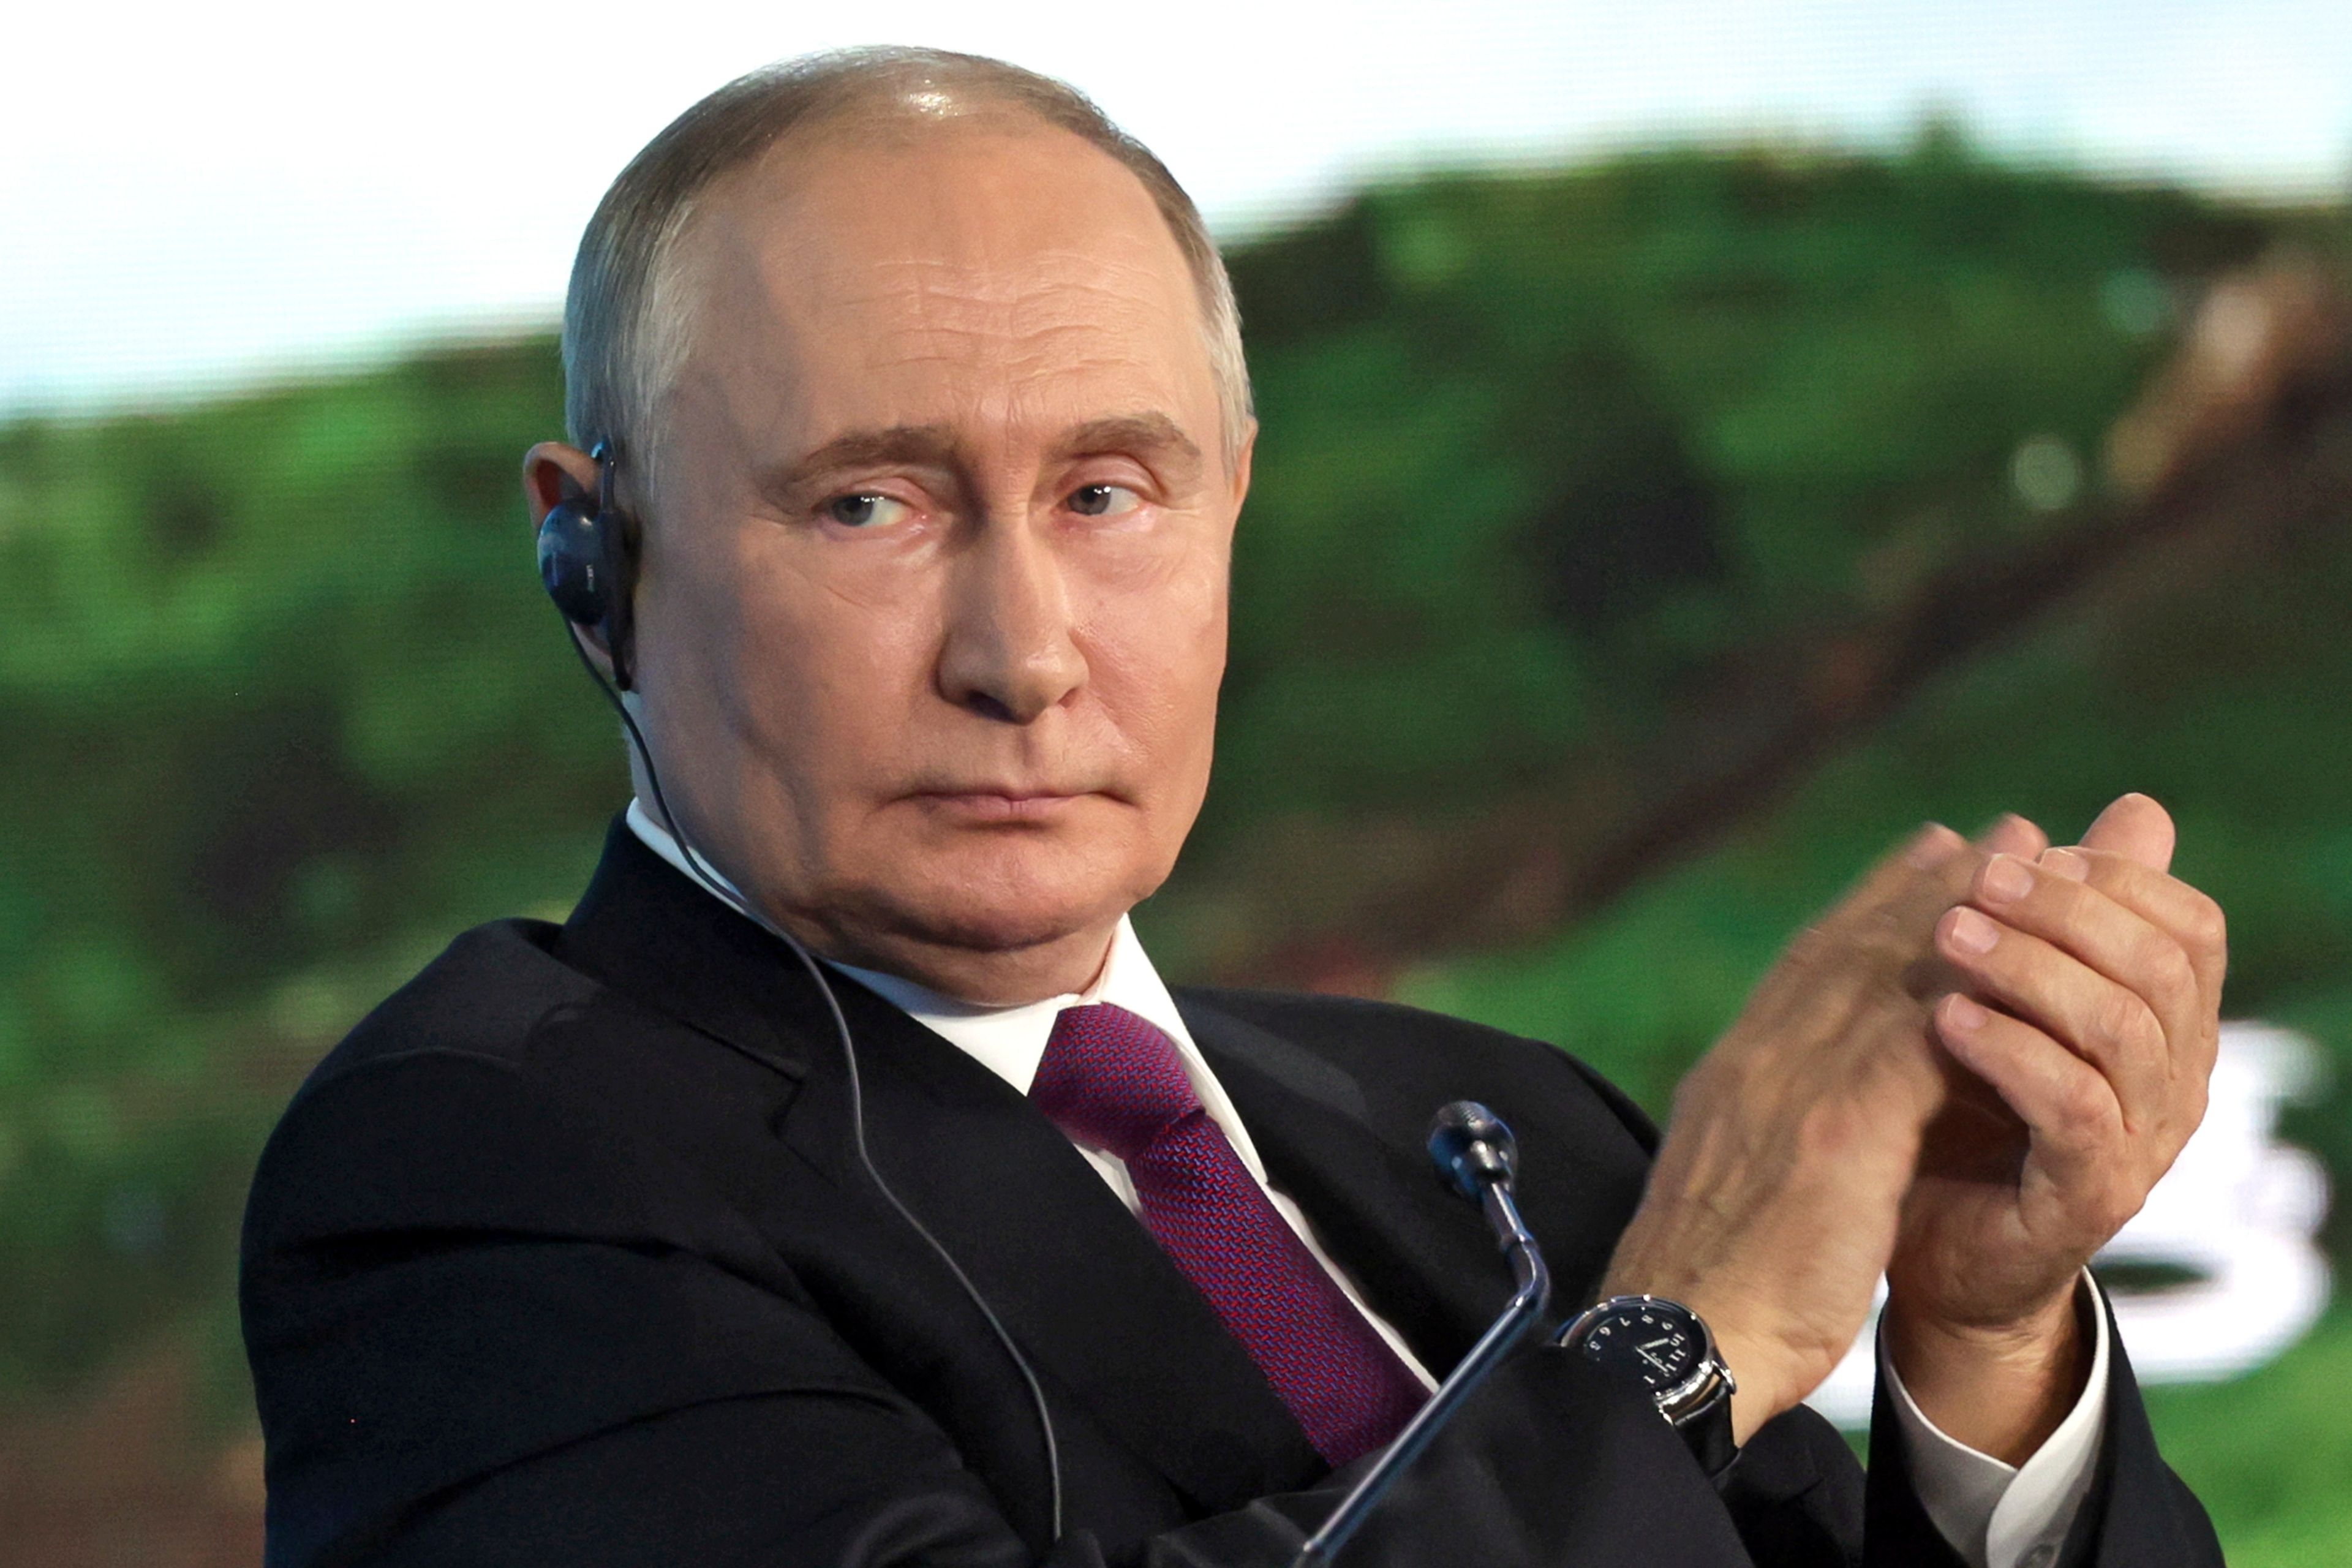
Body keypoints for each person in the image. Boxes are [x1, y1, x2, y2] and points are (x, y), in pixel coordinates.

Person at [239, 47, 2228, 1568]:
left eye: (1110, 494)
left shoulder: (1507, 1125)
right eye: (874, 501)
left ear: (1232, 514)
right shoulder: (479, 1169)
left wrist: (1984, 1350)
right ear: (596, 561)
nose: (1023, 653)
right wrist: (1676, 1343)